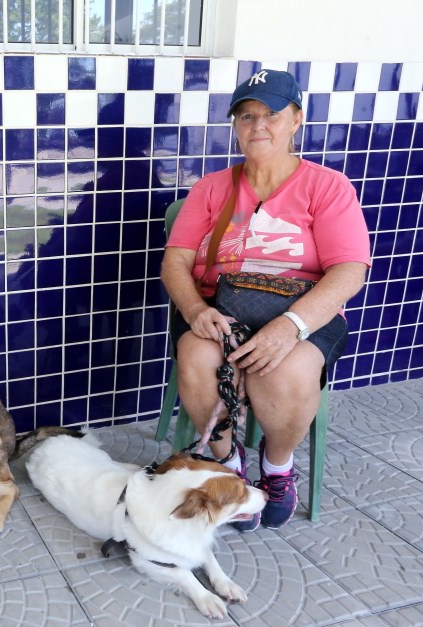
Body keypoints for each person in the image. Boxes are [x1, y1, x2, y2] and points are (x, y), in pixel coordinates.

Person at [160, 69, 371, 531]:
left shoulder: (327, 187)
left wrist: (291, 326)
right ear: (235, 126)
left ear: (296, 120)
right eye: (246, 115)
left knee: (287, 367)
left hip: (303, 311)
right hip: (220, 307)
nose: (258, 124)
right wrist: (195, 310)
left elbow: (350, 270)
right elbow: (174, 262)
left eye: (271, 114)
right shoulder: (211, 188)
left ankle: (276, 468)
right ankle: (227, 464)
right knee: (196, 356)